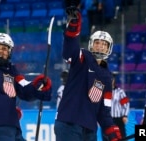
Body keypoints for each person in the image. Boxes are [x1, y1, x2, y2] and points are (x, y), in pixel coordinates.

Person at [54, 4, 122, 141]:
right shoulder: (83, 57)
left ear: (109, 48)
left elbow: (104, 110)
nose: (100, 46)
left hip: (90, 130)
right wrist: (73, 26)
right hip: (69, 123)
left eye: (104, 44)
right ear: (91, 44)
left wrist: (111, 130)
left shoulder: (107, 77)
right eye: (97, 42)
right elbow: (69, 51)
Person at [102, 73, 130, 141]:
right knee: (107, 138)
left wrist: (125, 115)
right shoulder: (103, 91)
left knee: (121, 137)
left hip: (118, 120)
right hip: (107, 120)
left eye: (112, 79)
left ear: (114, 80)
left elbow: (126, 104)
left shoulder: (120, 92)